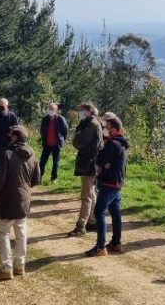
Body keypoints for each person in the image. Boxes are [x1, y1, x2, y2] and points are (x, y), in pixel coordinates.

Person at [0, 125, 41, 281]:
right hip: (24, 200)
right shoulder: (33, 154)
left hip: (6, 200)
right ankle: (20, 266)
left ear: (15, 137)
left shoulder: (7, 154)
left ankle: (6, 269)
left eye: (10, 134)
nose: (8, 135)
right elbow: (36, 179)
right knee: (21, 233)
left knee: (3, 233)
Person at [86, 115, 128, 257]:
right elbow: (104, 160)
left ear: (114, 129)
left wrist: (104, 161)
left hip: (109, 182)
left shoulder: (113, 144)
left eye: (107, 127)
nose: (105, 129)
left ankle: (100, 246)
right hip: (117, 182)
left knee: (99, 212)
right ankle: (116, 243)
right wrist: (105, 162)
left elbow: (99, 159)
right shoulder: (120, 143)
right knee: (115, 212)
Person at [67, 102, 103, 237]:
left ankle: (81, 226)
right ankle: (93, 221)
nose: (80, 113)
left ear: (89, 111)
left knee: (86, 195)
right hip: (90, 162)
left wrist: (78, 133)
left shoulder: (92, 125)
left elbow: (77, 142)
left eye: (83, 110)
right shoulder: (91, 123)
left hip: (89, 163)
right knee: (91, 193)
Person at [38, 102, 68, 182]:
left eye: (52, 109)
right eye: (49, 109)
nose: (50, 110)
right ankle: (39, 177)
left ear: (56, 110)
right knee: (42, 161)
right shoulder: (45, 119)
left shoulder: (61, 119)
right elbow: (42, 130)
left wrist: (62, 140)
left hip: (56, 144)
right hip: (47, 143)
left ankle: (54, 178)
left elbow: (65, 131)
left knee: (56, 162)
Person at [0, 97, 19, 169]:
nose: (1, 106)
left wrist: (12, 140)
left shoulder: (13, 117)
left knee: (8, 163)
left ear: (7, 105)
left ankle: (7, 179)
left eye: (3, 105)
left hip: (9, 144)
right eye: (0, 104)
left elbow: (17, 130)